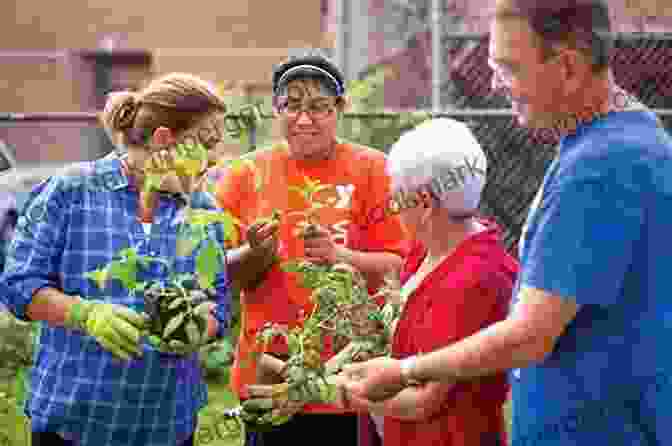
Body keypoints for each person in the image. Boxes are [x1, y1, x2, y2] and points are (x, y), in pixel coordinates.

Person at [342, 1, 672, 445]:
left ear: (568, 66)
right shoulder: (621, 139)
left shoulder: (601, 166)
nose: (497, 86)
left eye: (509, 68)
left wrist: (404, 370)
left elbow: (530, 335)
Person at [0, 72, 232, 446]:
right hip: (75, 422)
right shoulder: (72, 190)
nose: (215, 158)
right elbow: (17, 284)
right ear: (163, 140)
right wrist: (85, 314)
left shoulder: (203, 211)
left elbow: (218, 302)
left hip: (166, 425)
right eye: (208, 143)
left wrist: (196, 329)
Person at [214, 49, 408, 445]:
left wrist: (342, 257)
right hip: (266, 372)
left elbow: (402, 267)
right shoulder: (244, 174)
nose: (305, 119)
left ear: (340, 108)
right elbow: (214, 272)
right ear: (275, 109)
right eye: (292, 106)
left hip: (348, 377)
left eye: (319, 107)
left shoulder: (375, 171)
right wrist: (252, 255)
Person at [343, 118, 517, 446]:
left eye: (396, 198)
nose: (393, 209)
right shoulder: (428, 250)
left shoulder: (474, 279)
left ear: (424, 203)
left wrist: (338, 391)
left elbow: (425, 401)